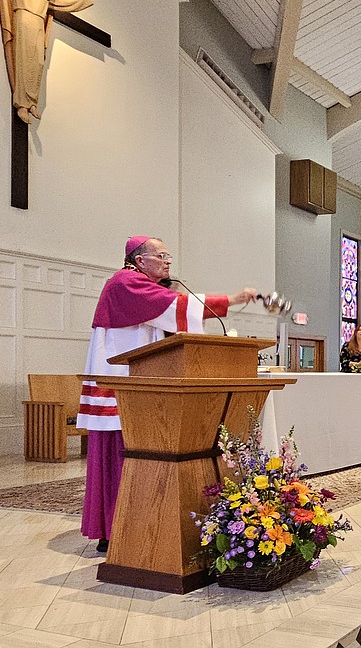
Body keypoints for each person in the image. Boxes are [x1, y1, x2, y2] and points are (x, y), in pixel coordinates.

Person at [78, 235, 257, 553]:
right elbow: (176, 308)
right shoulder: (126, 281)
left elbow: (168, 321)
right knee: (122, 455)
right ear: (139, 259)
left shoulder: (142, 285)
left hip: (142, 382)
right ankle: (114, 528)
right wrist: (231, 299)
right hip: (123, 383)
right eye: (161, 255)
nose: (168, 260)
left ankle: (131, 524)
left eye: (168, 255)